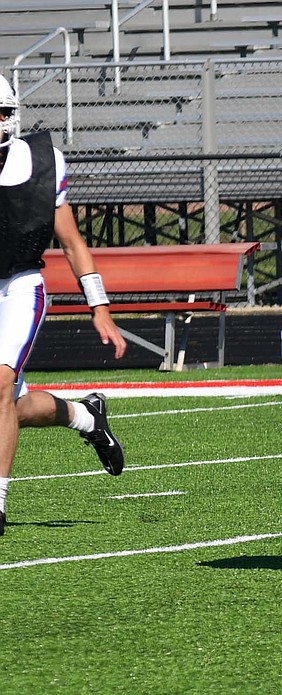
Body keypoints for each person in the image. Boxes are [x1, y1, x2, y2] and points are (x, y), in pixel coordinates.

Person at [0, 73, 128, 536]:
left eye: (0, 112)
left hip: (19, 285)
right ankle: (84, 415)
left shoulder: (38, 160)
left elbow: (71, 242)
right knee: (12, 408)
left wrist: (99, 307)